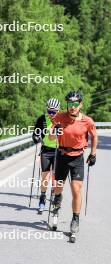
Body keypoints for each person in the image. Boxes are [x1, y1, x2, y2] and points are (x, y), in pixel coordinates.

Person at [49, 91, 98, 234]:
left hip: (77, 158)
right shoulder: (59, 118)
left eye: (75, 104)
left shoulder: (87, 121)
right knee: (58, 187)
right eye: (70, 104)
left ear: (80, 105)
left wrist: (93, 153)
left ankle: (75, 220)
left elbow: (94, 136)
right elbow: (51, 138)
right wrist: (55, 131)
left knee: (76, 190)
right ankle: (57, 200)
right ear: (67, 104)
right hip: (62, 155)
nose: (72, 107)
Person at [32, 98, 60, 214]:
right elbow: (35, 133)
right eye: (49, 111)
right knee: (45, 176)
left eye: (54, 112)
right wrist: (35, 138)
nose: (51, 114)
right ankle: (42, 198)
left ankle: (54, 197)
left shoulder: (62, 120)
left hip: (59, 151)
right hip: (46, 151)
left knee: (56, 177)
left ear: (58, 110)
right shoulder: (42, 119)